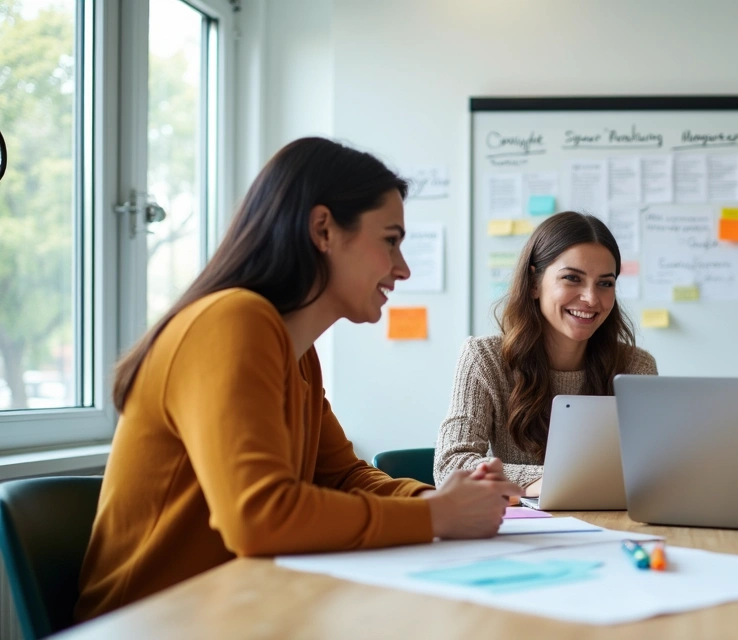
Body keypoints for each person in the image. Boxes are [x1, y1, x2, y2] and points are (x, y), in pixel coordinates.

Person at [77, 138, 521, 621]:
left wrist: (444, 499)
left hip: (237, 609)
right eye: (390, 240)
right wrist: (438, 515)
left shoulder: (298, 353)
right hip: (152, 623)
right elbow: (258, 517)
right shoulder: (231, 320)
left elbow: (343, 477)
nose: (403, 267)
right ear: (323, 229)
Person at [434, 211, 657, 496]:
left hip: (610, 526)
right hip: (518, 532)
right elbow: (451, 466)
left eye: (605, 283)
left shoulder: (635, 366)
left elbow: (651, 468)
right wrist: (548, 481)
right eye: (572, 278)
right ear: (534, 283)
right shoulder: (483, 358)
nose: (590, 298)